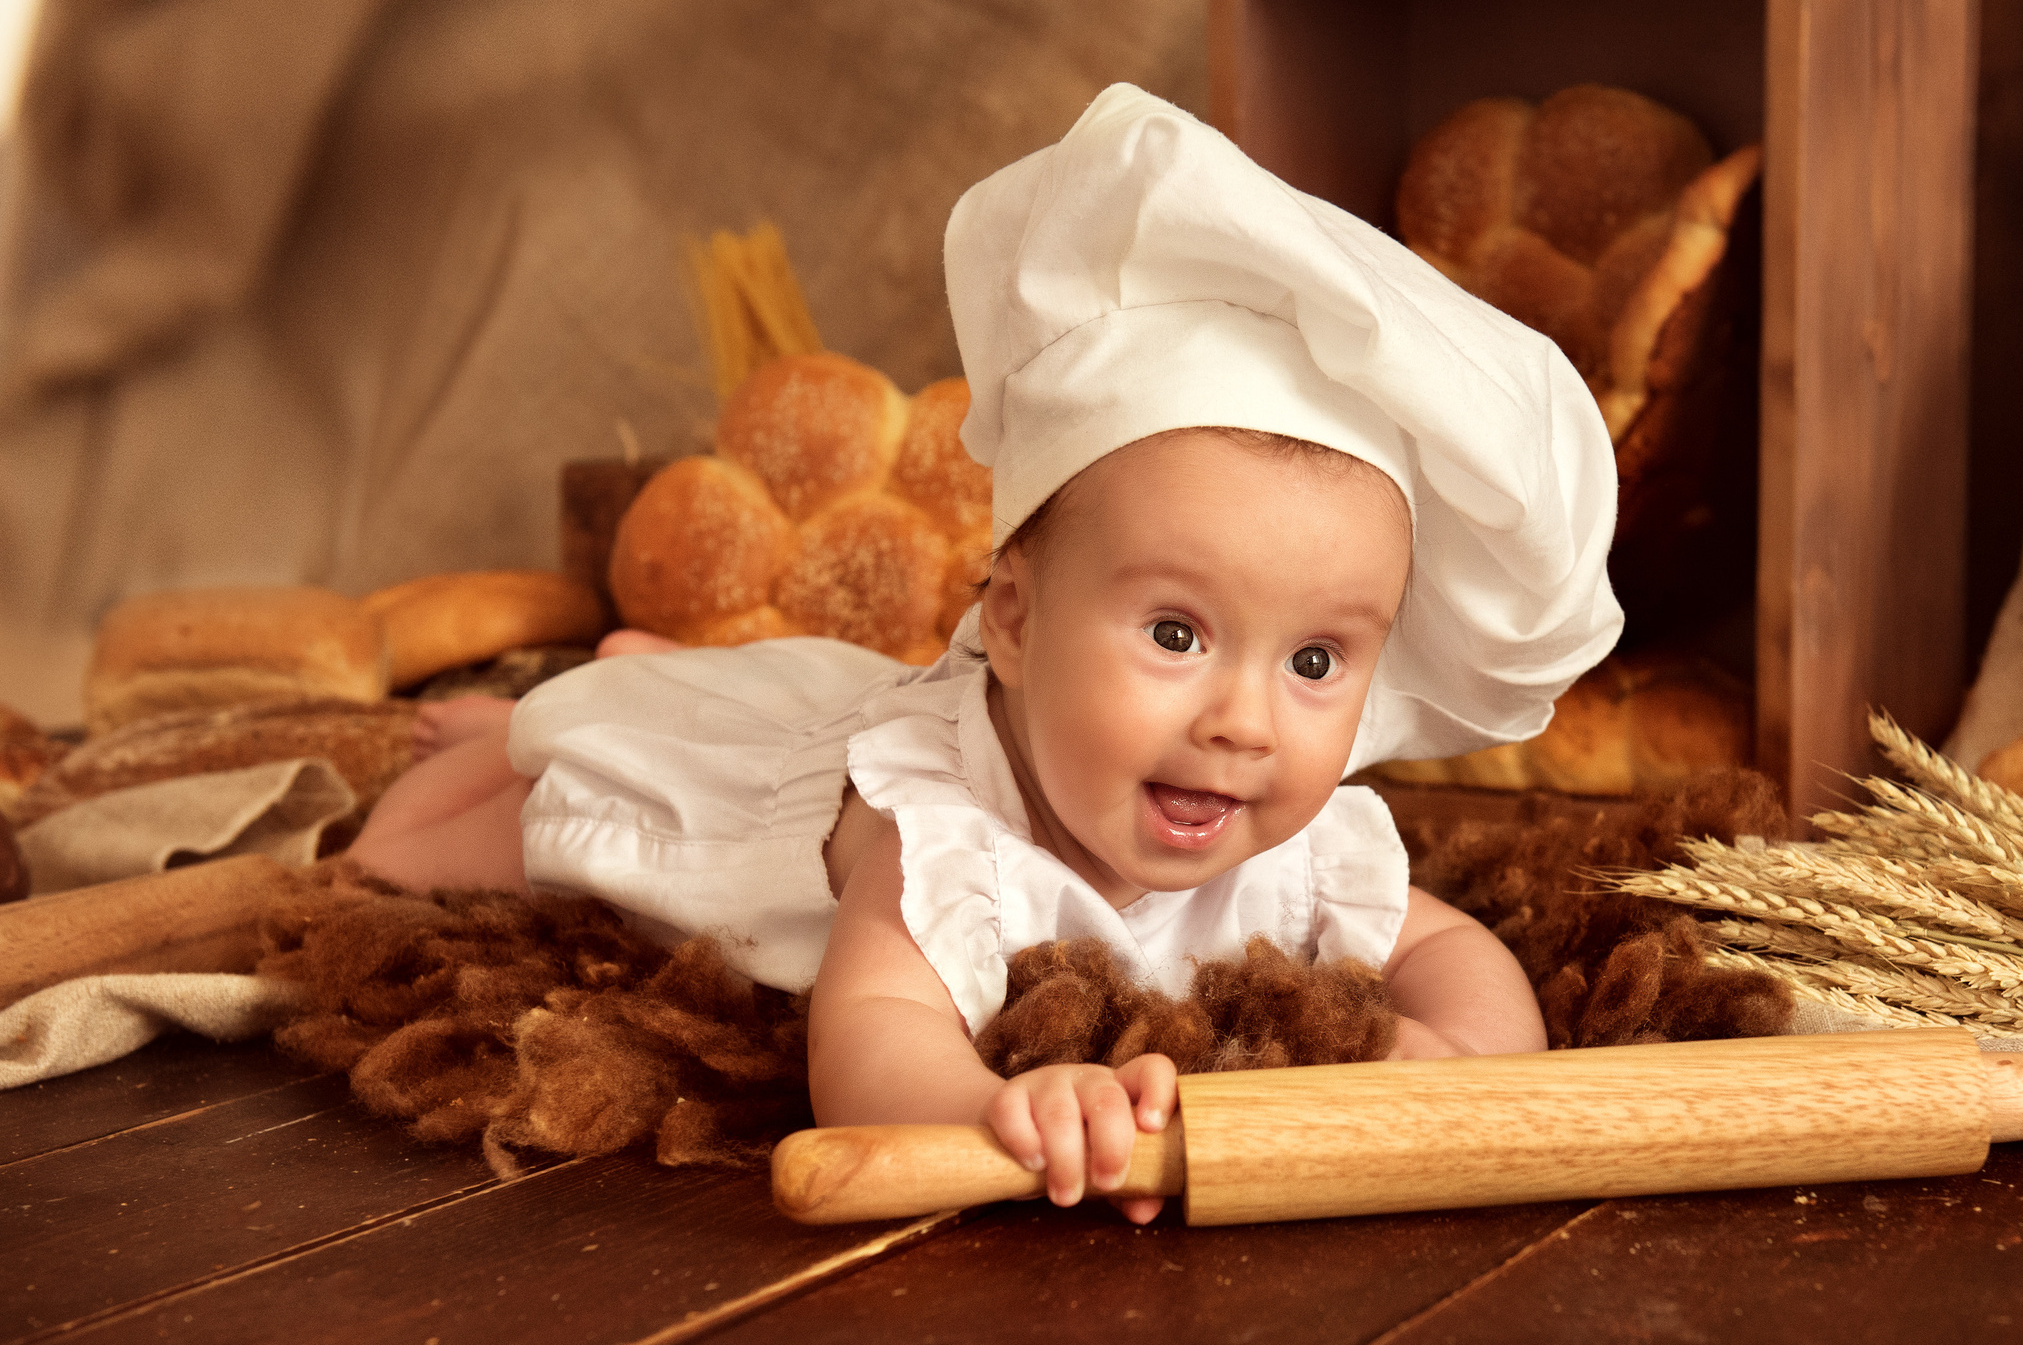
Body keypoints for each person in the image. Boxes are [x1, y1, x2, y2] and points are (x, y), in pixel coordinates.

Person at [348, 84, 1623, 1223]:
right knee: (528, 805)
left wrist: (1464, 1059)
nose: (1244, 721)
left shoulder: (1292, 835)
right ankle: (506, 732)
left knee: (734, 682)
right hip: (750, 810)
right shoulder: (937, 831)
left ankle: (615, 674)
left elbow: (1455, 950)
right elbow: (871, 1034)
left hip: (864, 700)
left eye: (1314, 662)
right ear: (1009, 619)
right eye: (1176, 635)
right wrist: (991, 1109)